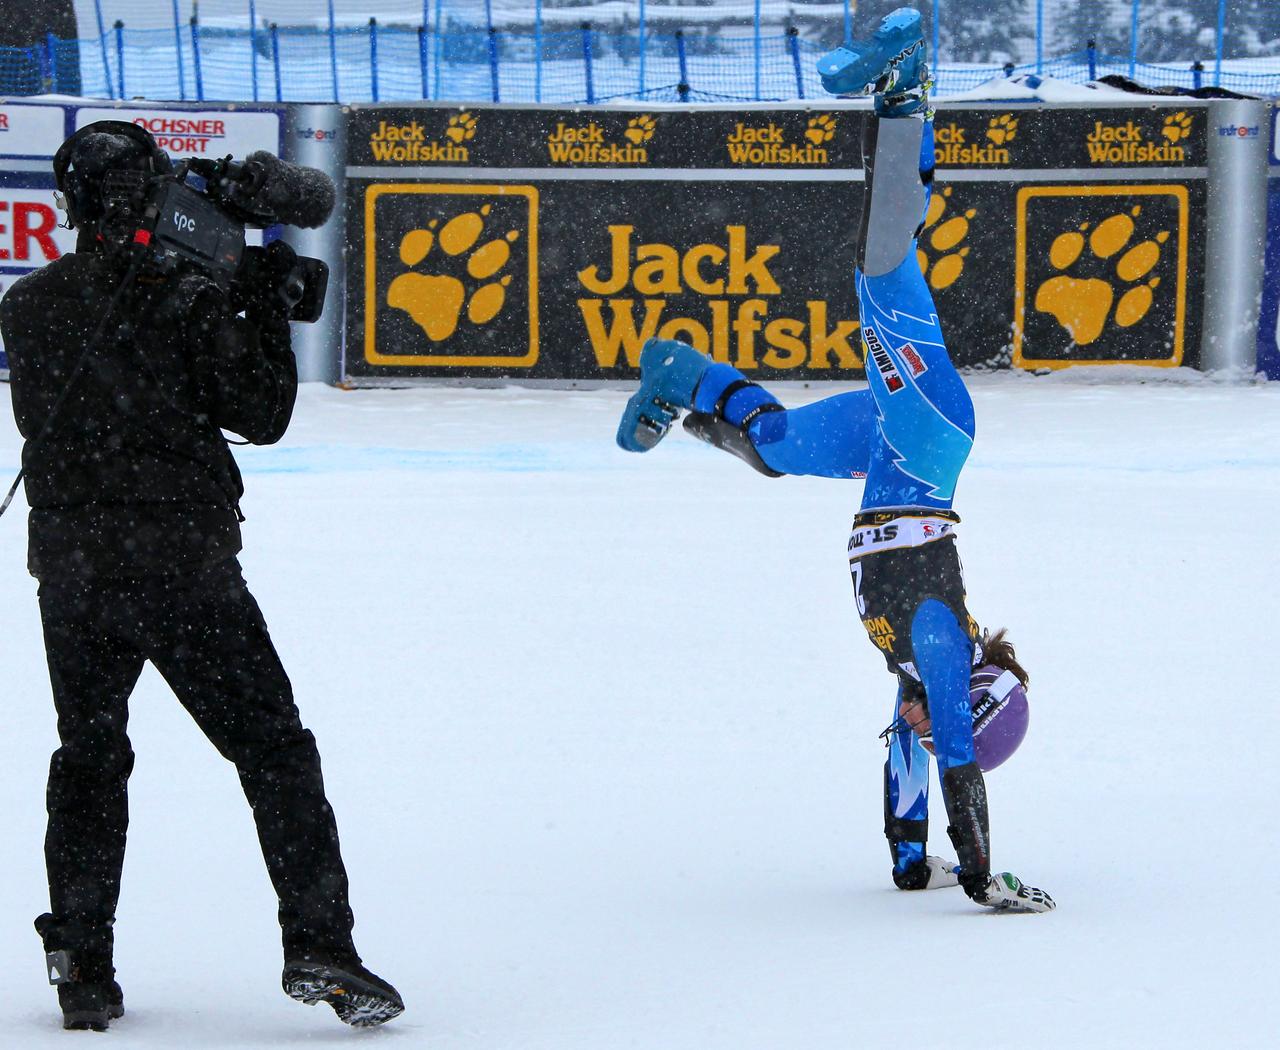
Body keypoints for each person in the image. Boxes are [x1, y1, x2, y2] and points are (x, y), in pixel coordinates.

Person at [616, 7, 1053, 914]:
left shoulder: (917, 685)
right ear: (968, 700)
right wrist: (978, 876)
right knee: (881, 270)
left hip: (890, 460)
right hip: (929, 434)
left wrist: (907, 862)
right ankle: (906, 90)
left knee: (773, 447)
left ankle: (680, 375)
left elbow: (908, 763)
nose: (928, 740)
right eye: (945, 734)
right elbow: (958, 771)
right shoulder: (939, 643)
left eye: (933, 739)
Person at [1, 122, 404, 1030]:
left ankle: (82, 965)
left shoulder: (25, 305)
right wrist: (255, 305)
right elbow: (260, 416)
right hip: (179, 568)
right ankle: (321, 944)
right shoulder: (186, 299)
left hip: (69, 572)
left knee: (90, 760)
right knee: (274, 751)